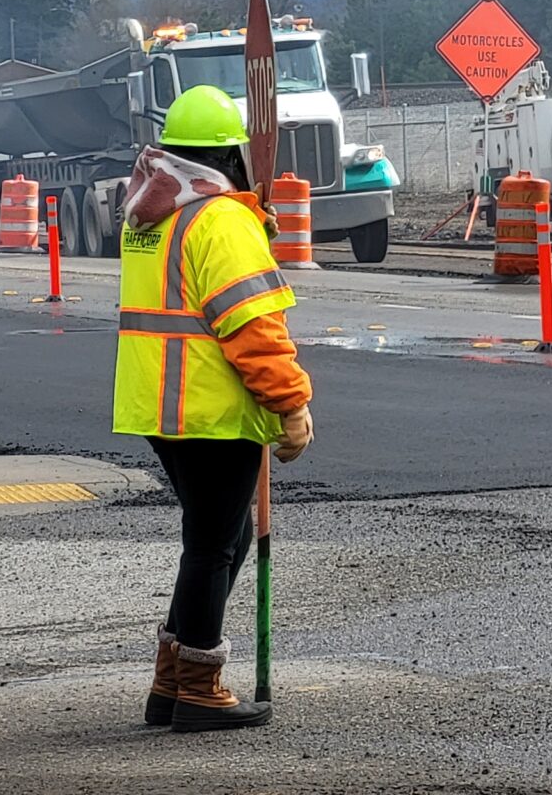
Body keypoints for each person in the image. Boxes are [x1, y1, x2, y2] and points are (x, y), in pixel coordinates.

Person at [116, 84, 314, 732]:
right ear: (231, 155)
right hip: (209, 407)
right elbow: (252, 326)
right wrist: (290, 403)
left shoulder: (152, 212)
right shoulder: (220, 217)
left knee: (218, 538)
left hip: (161, 405)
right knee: (211, 545)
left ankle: (173, 681)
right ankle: (198, 689)